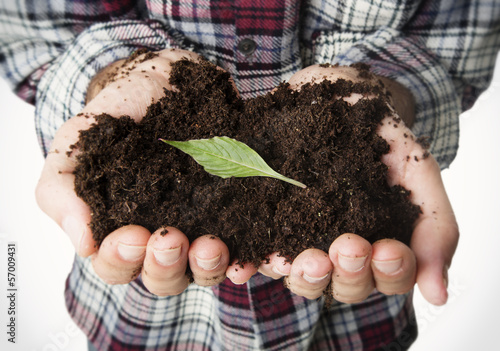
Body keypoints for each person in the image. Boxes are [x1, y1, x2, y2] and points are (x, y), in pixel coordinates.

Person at [0, 0, 498, 350]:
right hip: (143, 326)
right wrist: (119, 76)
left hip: (356, 326)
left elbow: (458, 45)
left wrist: (380, 97)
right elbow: (35, 36)